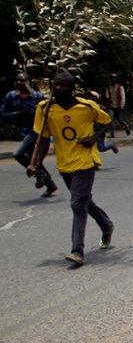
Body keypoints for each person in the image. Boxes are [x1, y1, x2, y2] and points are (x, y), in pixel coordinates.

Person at [28, 70, 114, 267]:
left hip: (85, 161)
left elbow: (106, 121)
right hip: (64, 162)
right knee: (84, 201)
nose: (59, 89)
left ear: (72, 88)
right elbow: (41, 140)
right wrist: (35, 163)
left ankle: (77, 251)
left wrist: (93, 138)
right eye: (56, 85)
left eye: (64, 86)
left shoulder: (87, 106)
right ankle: (106, 225)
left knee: (77, 203)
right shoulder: (44, 108)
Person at [1, 72, 57, 196]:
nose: (20, 83)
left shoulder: (37, 96)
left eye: (23, 80)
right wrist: (17, 114)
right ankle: (50, 185)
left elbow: (48, 112)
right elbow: (3, 114)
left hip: (37, 131)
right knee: (35, 160)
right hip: (23, 131)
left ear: (28, 82)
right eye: (18, 80)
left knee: (18, 154)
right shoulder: (11, 96)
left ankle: (39, 174)